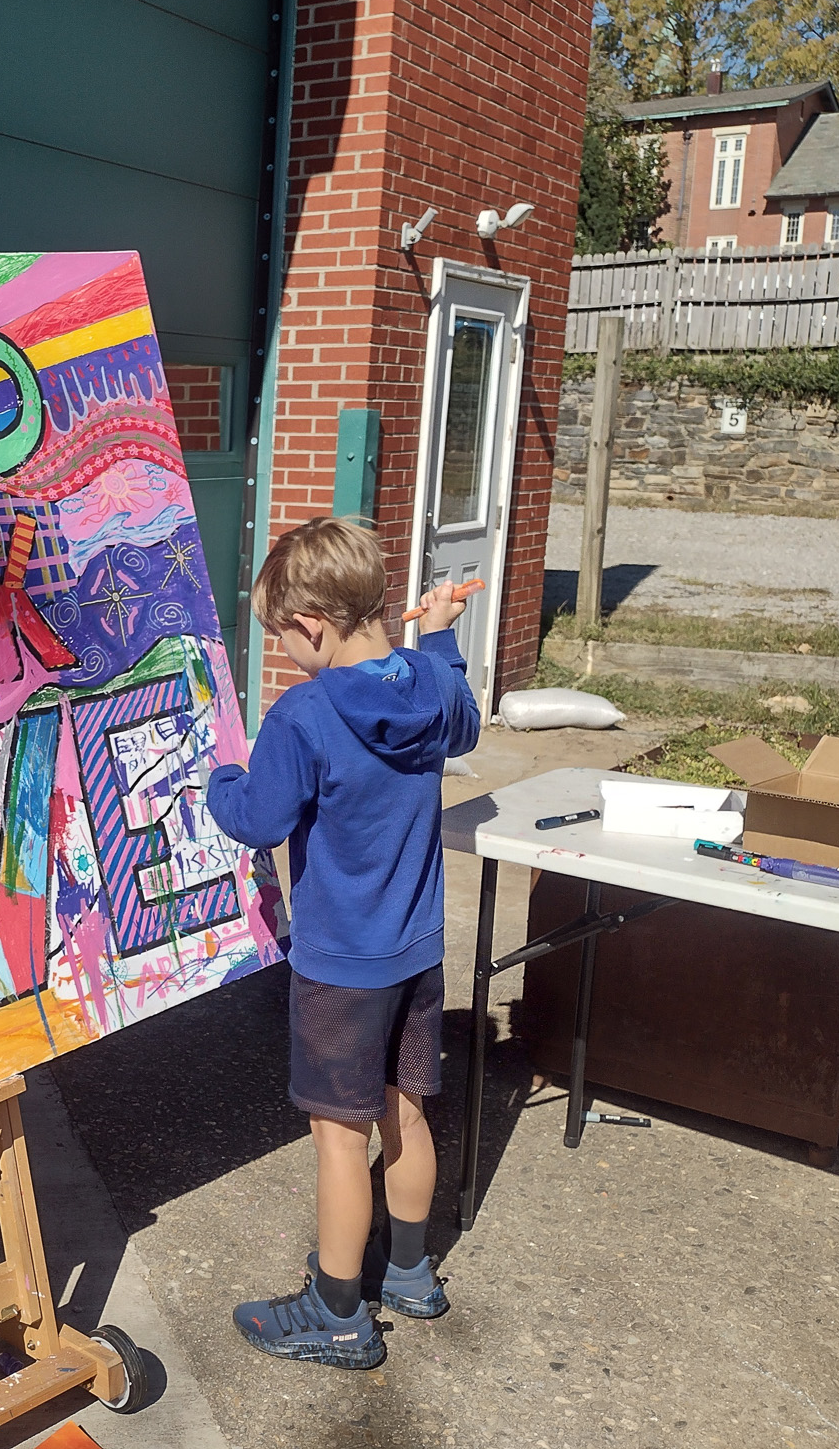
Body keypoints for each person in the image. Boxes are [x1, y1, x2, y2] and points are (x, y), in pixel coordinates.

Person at [205, 516, 481, 1370]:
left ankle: (336, 1312)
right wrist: (438, 637)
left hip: (339, 966)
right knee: (405, 1109)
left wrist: (220, 781)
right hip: (417, 949)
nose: (284, 654)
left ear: (313, 626)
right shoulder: (432, 689)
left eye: (283, 637)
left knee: (338, 1137)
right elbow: (461, 715)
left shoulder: (305, 715)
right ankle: (408, 1273)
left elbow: (260, 819)